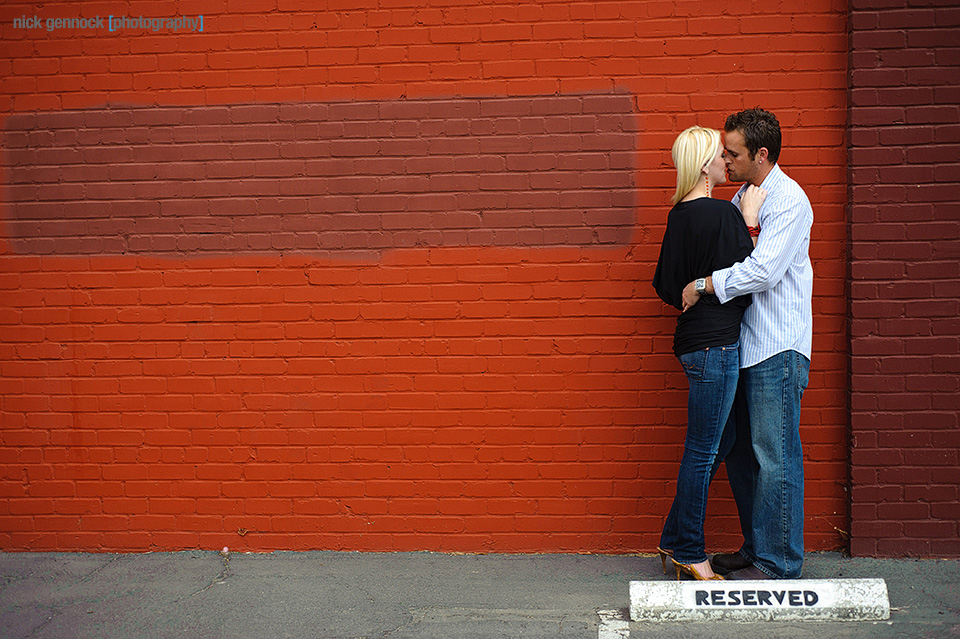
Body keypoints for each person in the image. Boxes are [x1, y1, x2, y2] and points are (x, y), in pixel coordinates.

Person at [681, 108, 814, 580]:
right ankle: (757, 549)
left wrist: (703, 285)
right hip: (744, 346)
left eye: (733, 153)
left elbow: (761, 271)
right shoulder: (742, 196)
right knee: (742, 454)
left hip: (777, 347)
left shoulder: (790, 200)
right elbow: (735, 253)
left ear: (761, 154)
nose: (725, 159)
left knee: (774, 455)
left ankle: (778, 563)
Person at [652, 126, 764, 581]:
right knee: (702, 450)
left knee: (724, 442)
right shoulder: (722, 216)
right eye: (719, 155)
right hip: (717, 345)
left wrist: (693, 288)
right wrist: (751, 219)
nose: (726, 161)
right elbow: (754, 272)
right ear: (703, 166)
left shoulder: (678, 216)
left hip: (693, 343)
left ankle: (673, 536)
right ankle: (690, 551)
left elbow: (665, 287)